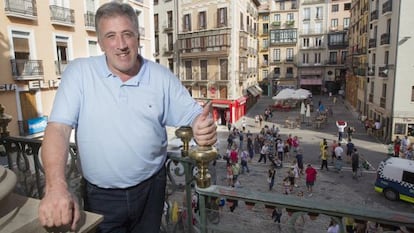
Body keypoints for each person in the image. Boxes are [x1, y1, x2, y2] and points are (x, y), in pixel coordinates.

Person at [37, 2, 217, 233]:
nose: (121, 45)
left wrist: (202, 126)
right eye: (111, 36)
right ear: (100, 42)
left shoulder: (161, 76)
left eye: (127, 34)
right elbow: (58, 129)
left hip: (152, 190)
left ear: (138, 37)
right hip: (101, 198)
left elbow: (194, 114)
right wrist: (55, 187)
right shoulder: (79, 73)